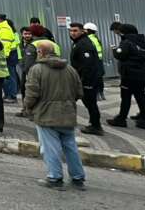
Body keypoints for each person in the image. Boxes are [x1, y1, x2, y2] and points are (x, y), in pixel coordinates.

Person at [24, 40, 87, 190]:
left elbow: (32, 93)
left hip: (46, 114)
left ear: (40, 52)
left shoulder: (37, 69)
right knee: (71, 146)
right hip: (68, 113)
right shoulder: (70, 69)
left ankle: (55, 177)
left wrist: (28, 107)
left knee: (50, 147)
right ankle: (78, 178)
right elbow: (79, 92)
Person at [106, 23, 145, 130]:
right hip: (141, 73)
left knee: (125, 97)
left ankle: (121, 119)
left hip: (129, 74)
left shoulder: (126, 42)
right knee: (141, 95)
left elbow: (120, 55)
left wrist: (114, 49)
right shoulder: (142, 42)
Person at [68, 22, 104, 135]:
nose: (72, 33)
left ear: (82, 31)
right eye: (71, 31)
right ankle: (94, 124)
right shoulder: (78, 42)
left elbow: (88, 66)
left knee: (90, 103)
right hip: (83, 79)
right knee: (89, 103)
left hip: (88, 80)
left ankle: (96, 126)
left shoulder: (84, 44)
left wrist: (85, 82)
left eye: (75, 31)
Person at [0, 14, 19, 103]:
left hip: (8, 56)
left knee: (10, 77)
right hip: (7, 56)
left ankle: (12, 96)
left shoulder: (4, 29)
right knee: (6, 76)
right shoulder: (0, 28)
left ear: (1, 19)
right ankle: (8, 94)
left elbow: (5, 44)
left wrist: (4, 56)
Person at [84, 23, 106, 100]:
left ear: (88, 30)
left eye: (85, 30)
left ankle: (97, 95)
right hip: (99, 61)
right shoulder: (96, 38)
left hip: (93, 62)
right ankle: (101, 93)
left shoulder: (88, 39)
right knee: (100, 78)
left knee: (94, 78)